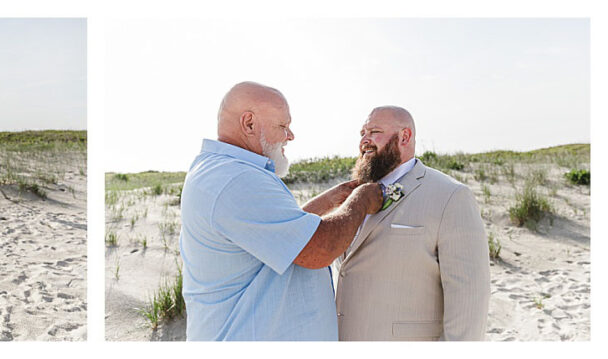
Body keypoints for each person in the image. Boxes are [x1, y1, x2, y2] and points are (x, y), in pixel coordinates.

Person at [180, 81, 384, 341]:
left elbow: (276, 237)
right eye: (283, 126)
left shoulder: (220, 170)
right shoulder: (238, 179)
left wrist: (331, 200)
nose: (290, 136)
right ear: (249, 124)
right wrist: (361, 201)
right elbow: (317, 250)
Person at [335, 106, 490, 341]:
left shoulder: (450, 196)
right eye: (362, 133)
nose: (364, 141)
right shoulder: (351, 197)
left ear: (404, 137)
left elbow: (469, 298)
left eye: (374, 131)